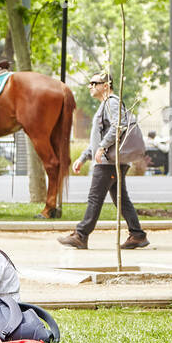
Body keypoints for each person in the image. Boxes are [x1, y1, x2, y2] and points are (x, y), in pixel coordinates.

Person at [58, 72, 150, 250]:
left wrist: (102, 147)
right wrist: (84, 157)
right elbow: (98, 138)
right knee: (121, 200)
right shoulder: (105, 105)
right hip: (110, 160)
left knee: (95, 198)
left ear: (106, 85)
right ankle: (137, 235)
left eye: (94, 83)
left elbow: (119, 124)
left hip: (108, 162)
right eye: (90, 83)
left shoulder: (111, 102)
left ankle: (81, 235)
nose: (90, 86)